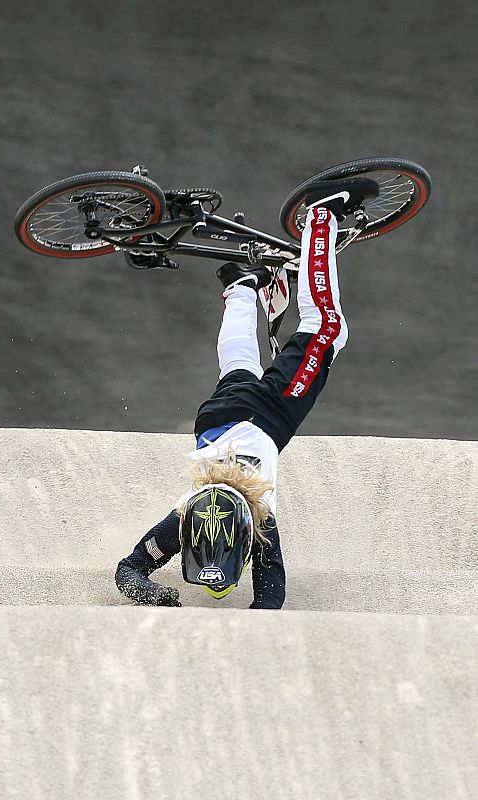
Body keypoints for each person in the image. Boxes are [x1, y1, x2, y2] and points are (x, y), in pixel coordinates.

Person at [115, 177, 379, 608]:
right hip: (214, 421)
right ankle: (239, 285)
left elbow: (270, 601)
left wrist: (164, 602)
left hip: (265, 418)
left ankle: (322, 213)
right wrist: (153, 593)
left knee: (327, 328)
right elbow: (127, 572)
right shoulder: (182, 519)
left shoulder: (261, 525)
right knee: (238, 366)